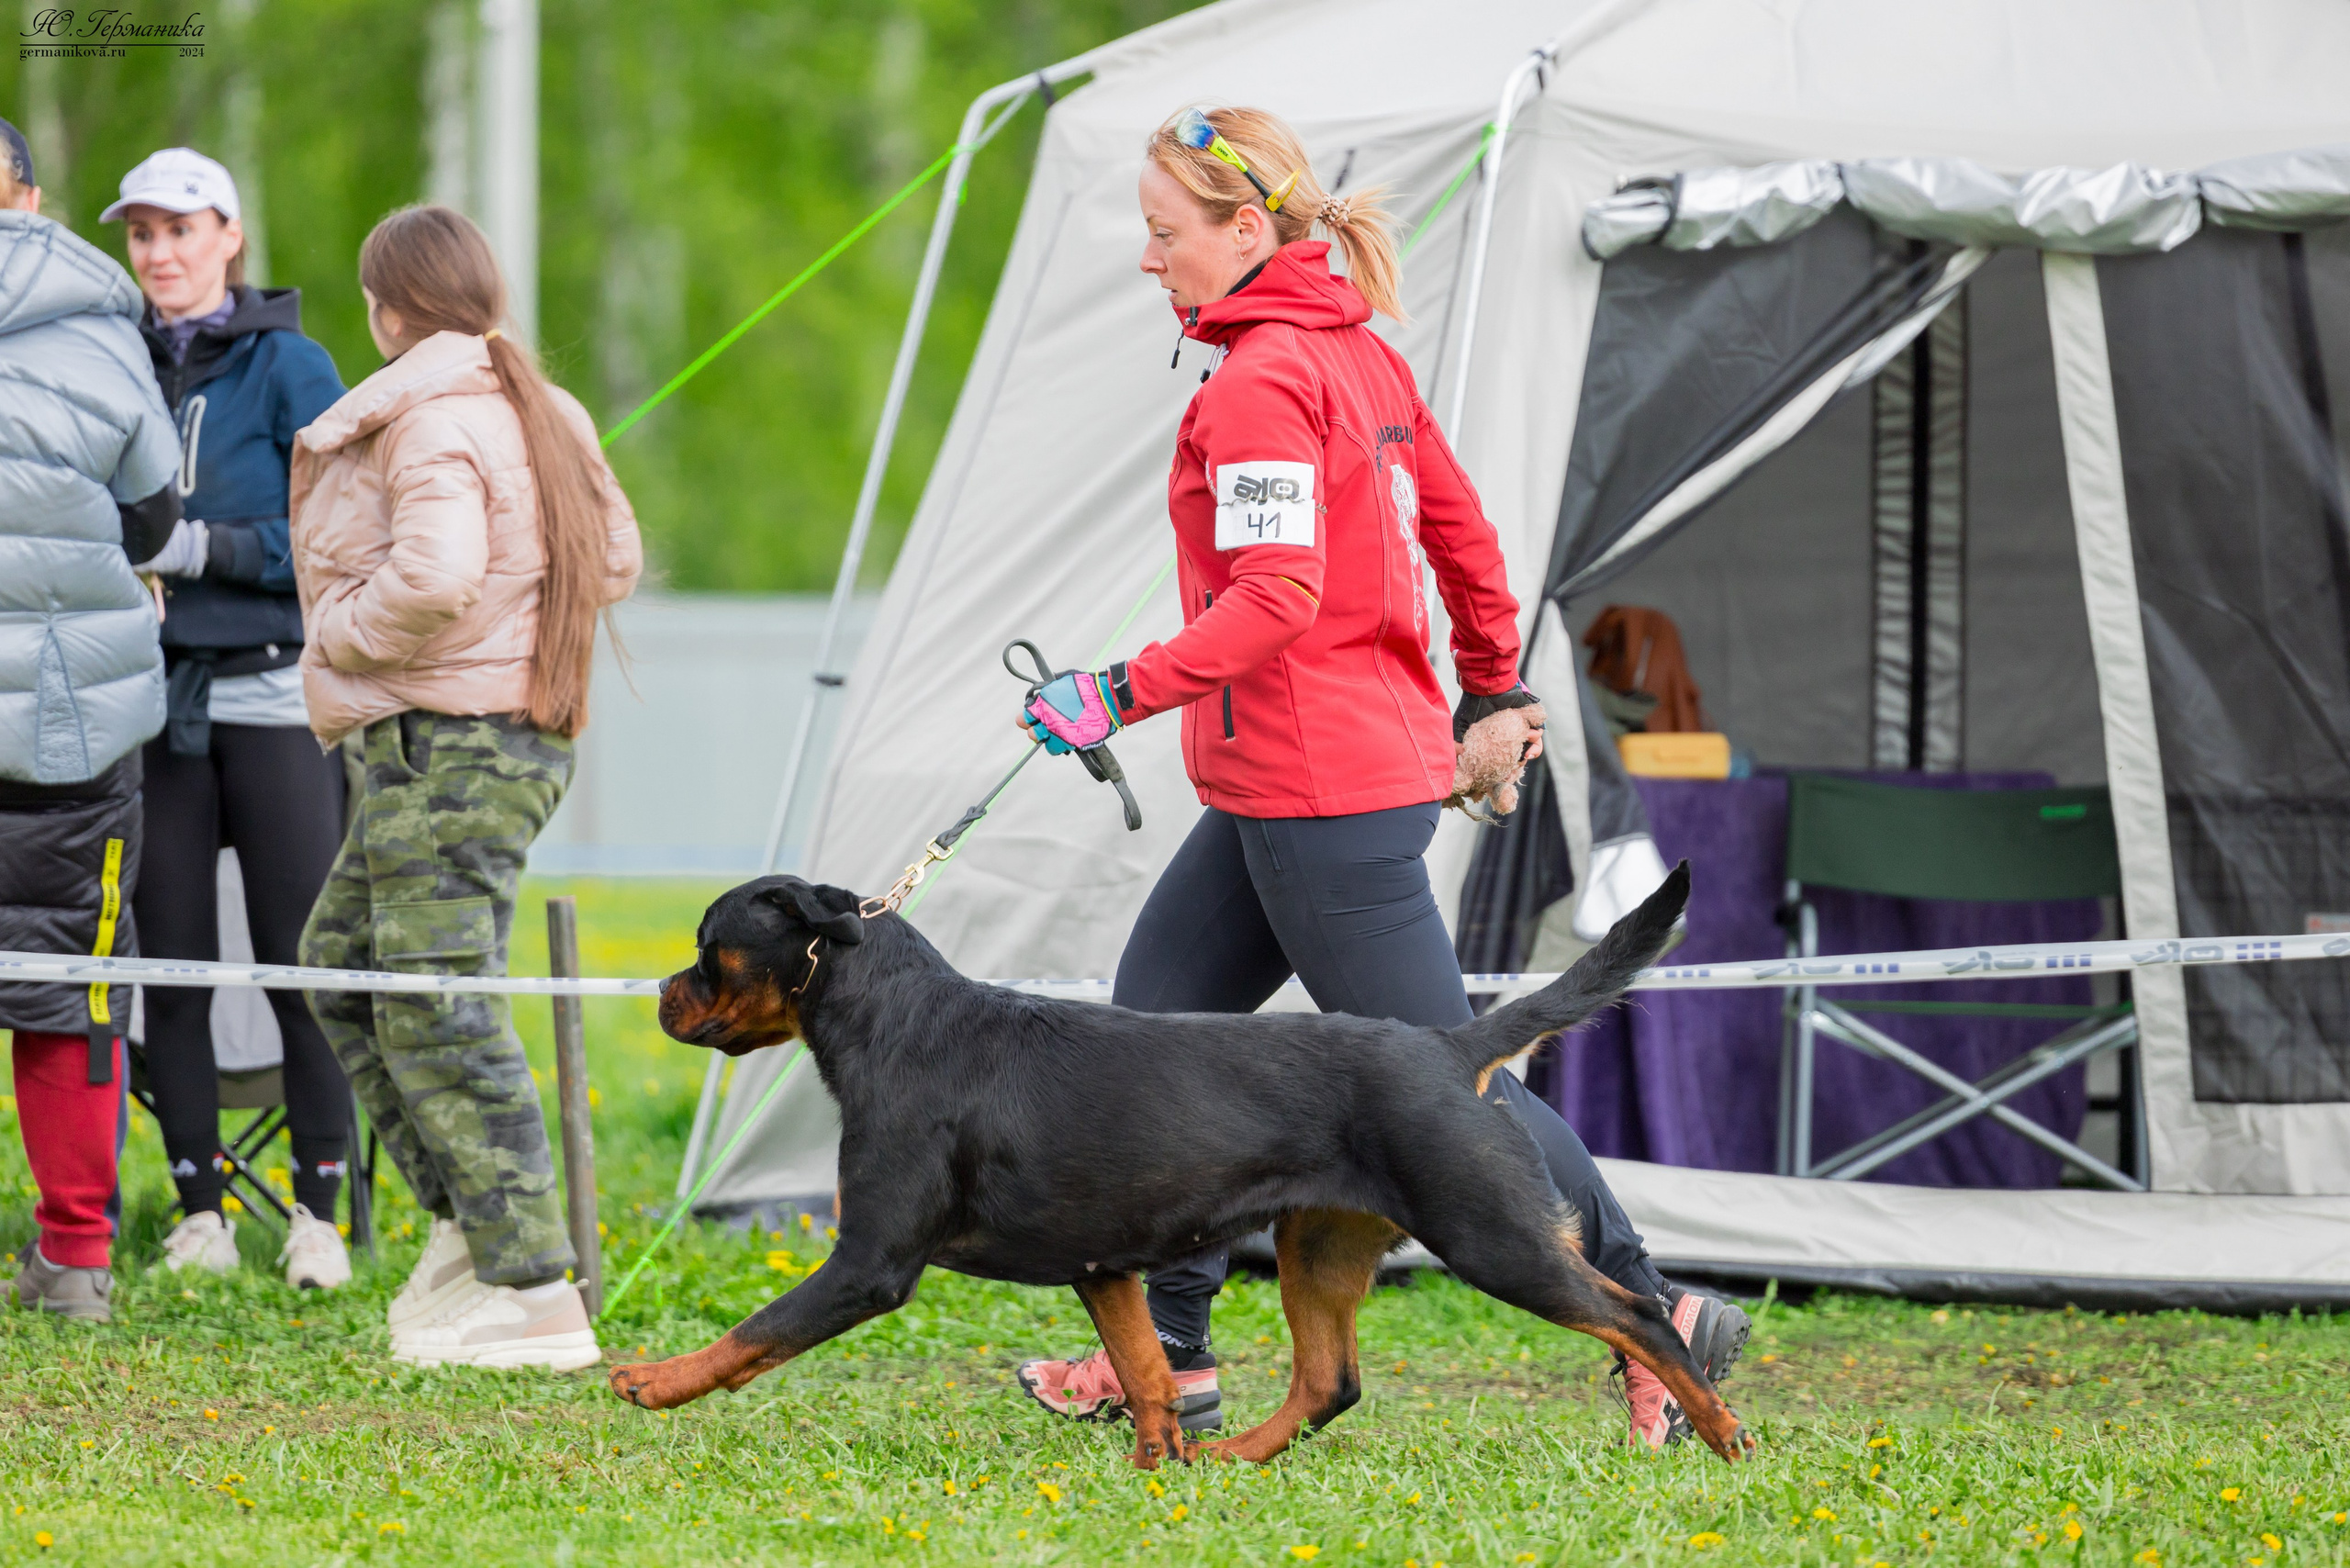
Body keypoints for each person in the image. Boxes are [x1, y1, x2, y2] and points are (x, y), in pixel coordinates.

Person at [1009, 106, 1748, 1450]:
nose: (1146, 259)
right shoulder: (1353, 350)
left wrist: (1115, 690)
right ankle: (1167, 1355)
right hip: (1305, 777)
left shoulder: (1262, 381)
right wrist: (1490, 683)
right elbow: (1461, 530)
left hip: (1318, 791)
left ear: (1245, 232)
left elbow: (1276, 598)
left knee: (1447, 1085)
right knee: (1151, 1045)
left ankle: (1657, 1312)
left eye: (1163, 234)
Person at [290, 204, 642, 1369]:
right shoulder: (542, 405)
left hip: (452, 744)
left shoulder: (430, 416)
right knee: (342, 967)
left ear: (390, 309)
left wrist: (340, 632)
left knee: (439, 1001)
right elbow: (620, 557)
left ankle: (536, 1294)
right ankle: (468, 1227)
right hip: (477, 741)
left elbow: (433, 574)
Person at [102, 147, 355, 1289]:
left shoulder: (293, 365)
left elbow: (347, 535)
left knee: (303, 963)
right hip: (150, 707)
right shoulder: (108, 358)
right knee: (176, 971)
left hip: (270, 697)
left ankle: (319, 1216)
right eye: (143, 233)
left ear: (230, 237)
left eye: (181, 230)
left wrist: (205, 551)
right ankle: (199, 1212)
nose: (161, 253)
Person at [0, 119, 181, 1321]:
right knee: (72, 987)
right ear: (31, 194)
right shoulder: (101, 327)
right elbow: (158, 520)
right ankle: (74, 1261)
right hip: (72, 722)